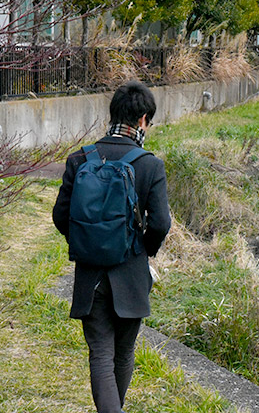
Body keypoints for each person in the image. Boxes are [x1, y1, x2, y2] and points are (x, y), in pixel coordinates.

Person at [52, 81, 171, 413]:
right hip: (131, 275)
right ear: (143, 119)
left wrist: (88, 243)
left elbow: (60, 216)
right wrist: (142, 250)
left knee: (101, 353)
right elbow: (161, 223)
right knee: (123, 353)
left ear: (113, 114)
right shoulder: (149, 164)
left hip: (91, 277)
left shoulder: (80, 158)